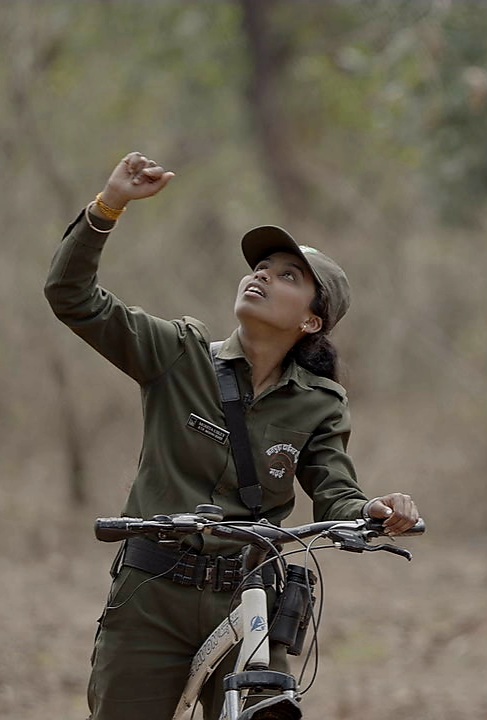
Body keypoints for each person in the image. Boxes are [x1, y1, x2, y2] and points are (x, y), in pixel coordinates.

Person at [45, 151, 421, 720]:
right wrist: (109, 205)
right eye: (262, 267)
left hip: (250, 599)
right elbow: (71, 297)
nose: (262, 275)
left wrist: (371, 509)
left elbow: (334, 489)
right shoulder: (178, 352)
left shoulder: (319, 402)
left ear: (311, 321)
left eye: (287, 276)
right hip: (152, 595)